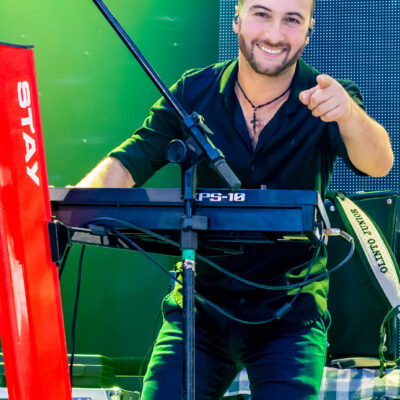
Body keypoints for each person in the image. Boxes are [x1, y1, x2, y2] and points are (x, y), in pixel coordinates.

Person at [76, 0, 394, 398]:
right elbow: (130, 161)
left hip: (290, 314)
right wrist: (63, 207)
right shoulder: (193, 91)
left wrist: (348, 115)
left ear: (308, 31)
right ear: (237, 19)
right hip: (199, 309)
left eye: (291, 20)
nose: (274, 34)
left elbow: (379, 163)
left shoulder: (328, 97)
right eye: (262, 14)